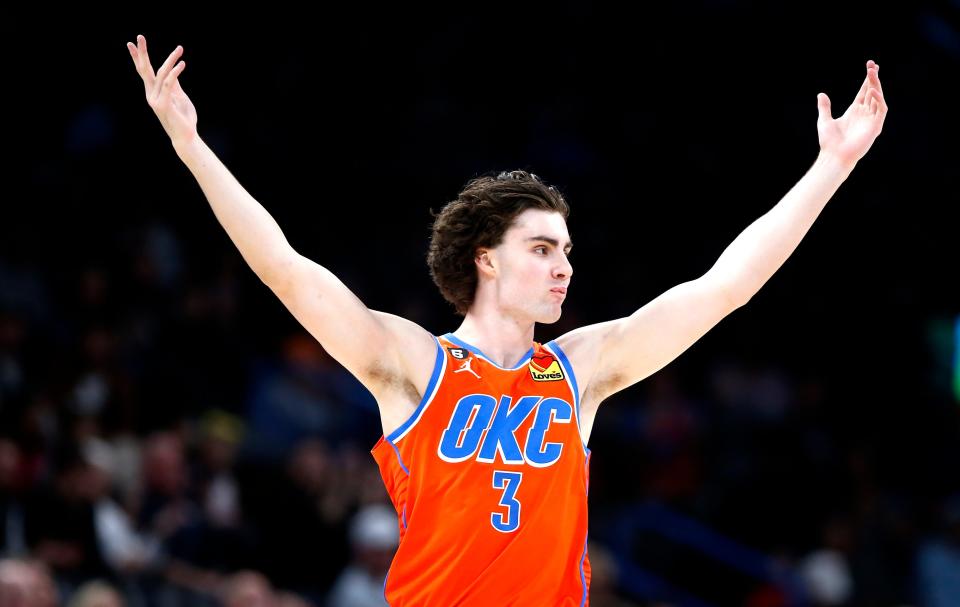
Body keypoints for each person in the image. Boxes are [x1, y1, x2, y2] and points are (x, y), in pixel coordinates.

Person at [127, 35, 887, 606]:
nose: (565, 266)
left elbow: (727, 285)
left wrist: (832, 167)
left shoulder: (579, 371)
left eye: (568, 250)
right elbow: (282, 268)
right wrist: (191, 146)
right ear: (487, 258)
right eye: (543, 247)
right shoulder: (413, 364)